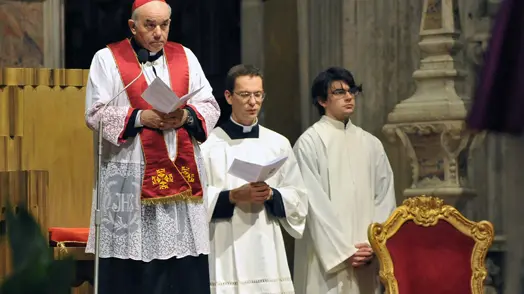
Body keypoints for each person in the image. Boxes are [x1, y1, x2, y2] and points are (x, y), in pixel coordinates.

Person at [84, 0, 220, 293]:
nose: (159, 33)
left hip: (180, 175)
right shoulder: (107, 59)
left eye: (165, 25)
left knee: (182, 267)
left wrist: (185, 116)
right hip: (129, 180)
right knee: (133, 270)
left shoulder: (185, 56)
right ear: (133, 26)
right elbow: (95, 113)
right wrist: (139, 117)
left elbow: (210, 105)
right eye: (150, 25)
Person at [200, 64, 308, 293]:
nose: (253, 102)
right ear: (228, 97)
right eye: (245, 94)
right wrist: (232, 196)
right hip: (224, 244)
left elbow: (298, 195)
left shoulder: (278, 143)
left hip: (266, 246)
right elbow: (196, 198)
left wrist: (271, 194)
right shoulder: (208, 146)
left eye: (258, 94)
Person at [292, 67, 396, 294]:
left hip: (368, 256)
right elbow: (313, 205)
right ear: (321, 100)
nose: (349, 97)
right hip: (328, 262)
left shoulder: (371, 144)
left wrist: (374, 244)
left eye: (352, 91)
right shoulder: (309, 143)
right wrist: (344, 251)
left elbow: (385, 196)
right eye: (339, 92)